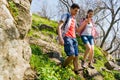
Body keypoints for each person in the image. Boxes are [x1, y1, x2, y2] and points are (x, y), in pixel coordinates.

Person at [57, 3, 80, 74]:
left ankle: (76, 70)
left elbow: (76, 29)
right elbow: (59, 27)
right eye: (75, 10)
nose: (76, 13)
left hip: (74, 38)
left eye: (77, 11)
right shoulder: (66, 15)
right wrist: (60, 38)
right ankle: (62, 67)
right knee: (72, 55)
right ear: (71, 9)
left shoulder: (74, 19)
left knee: (76, 56)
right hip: (67, 37)